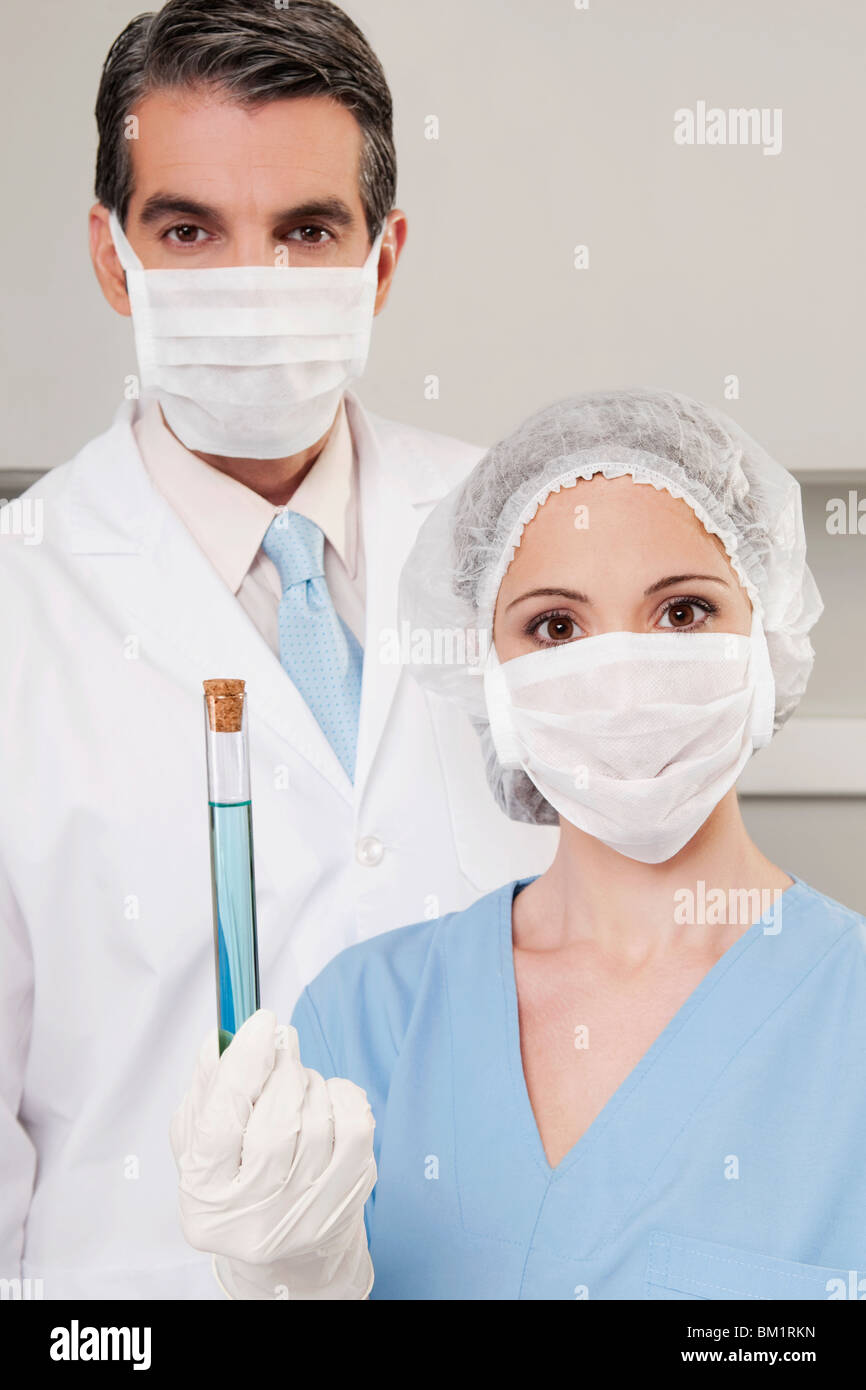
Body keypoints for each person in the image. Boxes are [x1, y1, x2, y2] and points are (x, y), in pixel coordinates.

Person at [0, 0, 554, 1300]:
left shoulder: (524, 543)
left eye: (307, 231)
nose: (250, 281)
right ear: (109, 256)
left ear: (384, 255)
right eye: (188, 230)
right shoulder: (18, 605)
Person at [172, 388, 866, 1301]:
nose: (619, 674)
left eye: (684, 612)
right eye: (556, 626)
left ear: (767, 638)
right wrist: (287, 1287)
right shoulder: (367, 1021)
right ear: (485, 673)